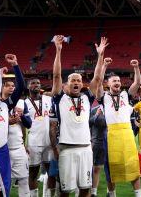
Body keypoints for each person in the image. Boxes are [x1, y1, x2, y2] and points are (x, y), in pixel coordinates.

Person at [49, 35, 102, 197]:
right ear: (67, 84)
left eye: (79, 80)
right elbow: (56, 76)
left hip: (86, 149)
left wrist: (100, 55)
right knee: (65, 190)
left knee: (85, 189)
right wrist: (58, 51)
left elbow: (98, 78)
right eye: (73, 80)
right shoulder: (60, 98)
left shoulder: (87, 98)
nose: (76, 83)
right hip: (66, 149)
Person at [94, 42, 141, 197]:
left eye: (118, 81)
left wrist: (136, 68)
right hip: (112, 134)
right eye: (114, 81)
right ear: (108, 84)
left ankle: (138, 195)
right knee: (111, 165)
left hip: (127, 132)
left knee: (132, 164)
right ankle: (112, 194)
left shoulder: (126, 95)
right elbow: (98, 81)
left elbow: (138, 83)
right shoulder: (103, 97)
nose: (117, 82)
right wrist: (104, 66)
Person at [0, 54, 25, 197]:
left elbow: (21, 87)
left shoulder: (5, 105)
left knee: (3, 187)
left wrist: (15, 65)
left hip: (1, 150)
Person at [23, 78, 56, 197]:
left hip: (49, 142)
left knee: (51, 172)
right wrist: (23, 143)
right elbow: (22, 125)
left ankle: (48, 195)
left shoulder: (49, 99)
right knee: (33, 173)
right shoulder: (24, 103)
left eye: (38, 83)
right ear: (28, 87)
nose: (36, 85)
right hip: (33, 142)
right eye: (33, 83)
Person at [5, 78, 32, 197]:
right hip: (2, 150)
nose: (11, 87)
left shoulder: (22, 102)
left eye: (13, 86)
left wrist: (22, 116)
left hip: (18, 148)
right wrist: (7, 122)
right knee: (4, 182)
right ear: (2, 88)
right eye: (8, 85)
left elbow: (29, 124)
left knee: (24, 179)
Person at [89, 101, 106, 197]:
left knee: (108, 168)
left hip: (108, 142)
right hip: (95, 143)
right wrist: (96, 115)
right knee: (93, 168)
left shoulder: (112, 111)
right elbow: (89, 123)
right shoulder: (94, 110)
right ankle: (92, 192)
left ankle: (110, 192)